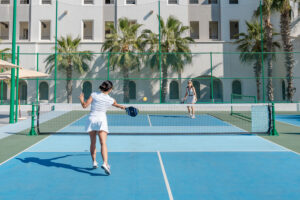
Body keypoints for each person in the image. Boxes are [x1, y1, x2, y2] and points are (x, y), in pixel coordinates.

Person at [79, 80, 126, 175]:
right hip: (101, 120)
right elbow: (116, 105)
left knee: (93, 142)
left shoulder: (94, 95)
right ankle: (105, 163)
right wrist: (122, 107)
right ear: (110, 89)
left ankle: (94, 162)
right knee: (103, 143)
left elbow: (84, 106)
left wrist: (81, 99)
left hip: (91, 119)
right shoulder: (110, 99)